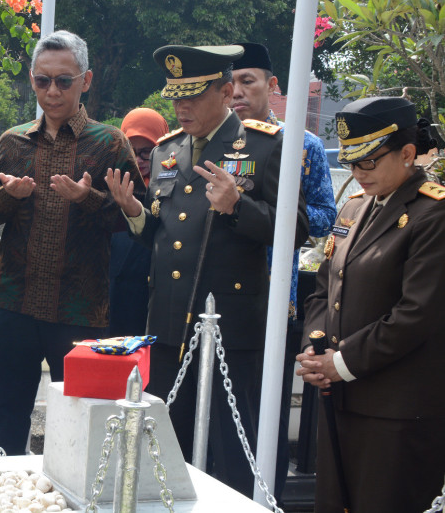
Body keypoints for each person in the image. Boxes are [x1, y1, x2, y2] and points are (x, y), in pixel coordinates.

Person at [106, 44, 309, 496]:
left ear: (224, 90)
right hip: (169, 323)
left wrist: (238, 206)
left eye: (193, 96)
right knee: (167, 449)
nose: (182, 107)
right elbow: (161, 233)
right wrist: (134, 211)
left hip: (229, 328)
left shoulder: (265, 145)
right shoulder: (167, 150)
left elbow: (296, 229)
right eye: (176, 97)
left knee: (233, 449)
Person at [0, 30, 144, 455]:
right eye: (42, 80)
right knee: (7, 416)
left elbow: (137, 220)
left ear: (85, 81)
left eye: (63, 81)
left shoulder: (110, 143)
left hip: (80, 311)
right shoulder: (13, 141)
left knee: (82, 421)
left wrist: (87, 198)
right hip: (13, 301)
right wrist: (6, 196)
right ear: (32, 79)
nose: (52, 92)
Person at [296, 97, 445, 513]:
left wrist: (340, 363)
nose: (359, 173)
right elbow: (323, 289)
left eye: (370, 162)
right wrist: (316, 347)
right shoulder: (354, 208)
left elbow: (416, 314)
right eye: (353, 163)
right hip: (341, 396)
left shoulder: (433, 214)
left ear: (409, 153)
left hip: (397, 409)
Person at [230, 42, 337, 497]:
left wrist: (271, 216)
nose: (237, 92)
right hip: (214, 294)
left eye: (247, 81)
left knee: (265, 414)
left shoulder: (303, 145)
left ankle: (266, 497)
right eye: (230, 83)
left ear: (272, 86)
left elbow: (325, 214)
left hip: (275, 293)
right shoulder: (211, 141)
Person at [109, 108, 169, 336]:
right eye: (130, 152)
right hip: (113, 300)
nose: (137, 161)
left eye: (147, 153)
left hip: (153, 297)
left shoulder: (173, 186)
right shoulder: (109, 185)